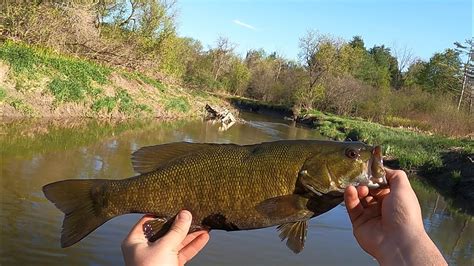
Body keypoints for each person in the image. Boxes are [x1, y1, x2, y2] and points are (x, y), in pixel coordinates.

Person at [122, 169, 447, 265]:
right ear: (311, 170)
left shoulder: (313, 198)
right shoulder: (309, 197)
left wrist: (405, 239)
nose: (359, 161)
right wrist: (406, 243)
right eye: (350, 156)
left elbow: (273, 211)